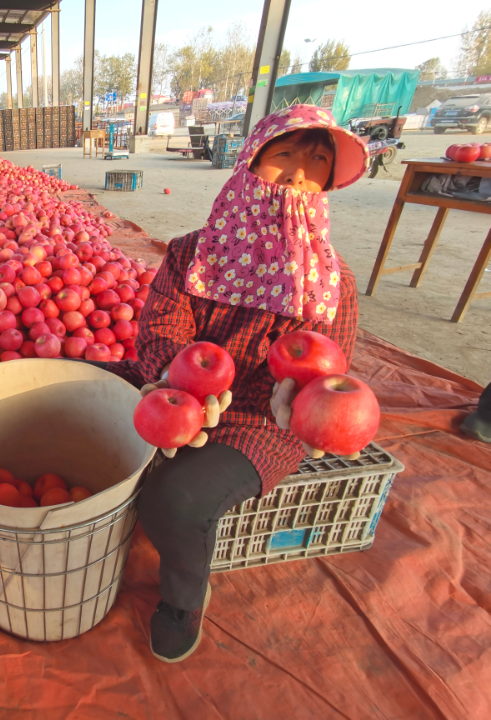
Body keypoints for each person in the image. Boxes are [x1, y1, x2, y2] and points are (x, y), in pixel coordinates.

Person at [104, 105, 370, 663]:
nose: (299, 172)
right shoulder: (191, 253)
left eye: (317, 161)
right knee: (59, 386)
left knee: (173, 500)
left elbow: (327, 367)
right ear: (250, 163)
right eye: (285, 154)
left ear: (325, 183)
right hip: (174, 390)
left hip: (262, 422)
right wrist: (173, 383)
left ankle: (183, 600)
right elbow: (162, 327)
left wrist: (297, 403)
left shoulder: (329, 281)